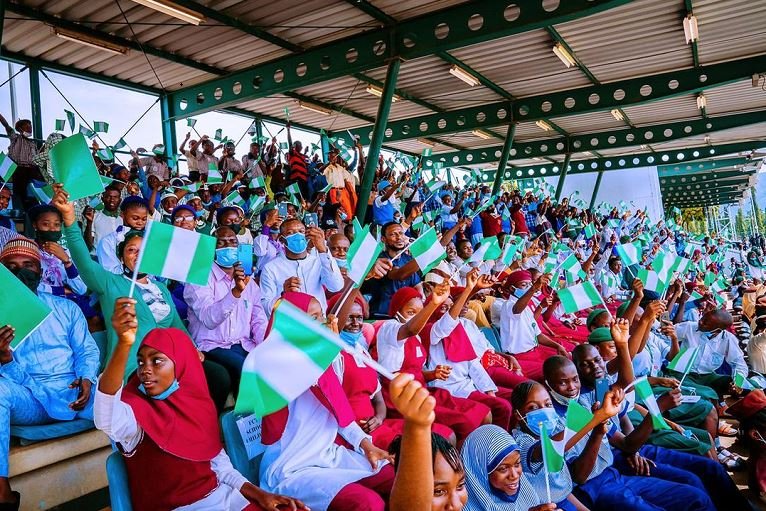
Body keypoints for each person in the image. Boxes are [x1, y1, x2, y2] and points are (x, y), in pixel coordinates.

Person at [95, 298, 306, 511]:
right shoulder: (136, 415)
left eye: (157, 361)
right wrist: (123, 345)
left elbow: (222, 468)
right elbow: (105, 416)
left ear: (182, 365)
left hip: (224, 499)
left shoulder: (198, 407)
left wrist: (262, 496)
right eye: (141, 362)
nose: (145, 369)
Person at [260, 292, 395, 511]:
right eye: (313, 318)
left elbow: (339, 412)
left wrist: (366, 445)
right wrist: (329, 350)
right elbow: (304, 372)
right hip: (292, 467)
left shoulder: (324, 359)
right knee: (368, 504)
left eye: (321, 315)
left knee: (392, 476)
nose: (323, 322)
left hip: (327, 455)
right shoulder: (278, 361)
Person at [0, 237, 100, 510]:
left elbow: (86, 352)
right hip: (31, 398)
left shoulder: (66, 308)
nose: (21, 271)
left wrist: (87, 379)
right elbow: (9, 376)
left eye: (28, 265)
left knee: (123, 387)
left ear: (40, 271)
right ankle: (2, 493)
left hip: (76, 390)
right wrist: (5, 359)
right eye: (12, 266)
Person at [332, 293, 455, 449]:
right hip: (356, 433)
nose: (356, 323)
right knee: (429, 444)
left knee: (444, 435)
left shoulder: (361, 352)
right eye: (350, 318)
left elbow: (378, 400)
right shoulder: (334, 357)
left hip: (378, 423)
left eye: (360, 317)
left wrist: (379, 418)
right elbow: (337, 408)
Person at [376, 283, 491, 442]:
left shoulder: (415, 337)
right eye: (410, 312)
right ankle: (459, 463)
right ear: (397, 311)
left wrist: (431, 374)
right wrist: (433, 303)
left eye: (419, 313)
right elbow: (410, 329)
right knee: (463, 423)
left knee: (482, 412)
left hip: (423, 391)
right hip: (403, 399)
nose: (416, 317)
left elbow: (414, 370)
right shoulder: (390, 328)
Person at [424, 269, 514, 430]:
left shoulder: (460, 328)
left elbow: (473, 363)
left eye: (451, 307)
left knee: (506, 403)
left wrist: (488, 390)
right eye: (444, 308)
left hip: (467, 385)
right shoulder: (429, 330)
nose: (452, 312)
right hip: (447, 390)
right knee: (498, 409)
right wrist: (469, 289)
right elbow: (446, 323)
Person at [184, 226, 268, 393]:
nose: (228, 247)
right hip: (212, 345)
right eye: (221, 243)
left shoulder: (249, 282)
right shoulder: (199, 277)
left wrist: (267, 345)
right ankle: (245, 417)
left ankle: (264, 417)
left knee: (268, 365)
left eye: (232, 242)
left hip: (243, 343)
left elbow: (258, 319)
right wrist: (235, 292)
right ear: (213, 249)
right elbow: (209, 319)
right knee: (246, 369)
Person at [461, 425, 559, 511]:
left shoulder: (526, 495)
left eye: (517, 464)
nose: (515, 476)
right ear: (479, 471)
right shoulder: (463, 507)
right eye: (503, 469)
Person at [259, 217, 344, 313]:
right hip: (289, 323)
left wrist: (323, 250)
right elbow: (264, 306)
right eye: (290, 233)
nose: (297, 235)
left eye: (301, 231)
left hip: (318, 322)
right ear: (282, 239)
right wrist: (284, 295)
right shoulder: (271, 268)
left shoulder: (319, 261)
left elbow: (336, 286)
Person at [499, 270, 569, 380]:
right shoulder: (508, 305)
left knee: (568, 360)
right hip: (520, 357)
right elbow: (517, 309)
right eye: (523, 285)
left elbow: (538, 335)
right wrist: (533, 288)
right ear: (512, 288)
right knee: (558, 371)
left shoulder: (526, 307)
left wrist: (557, 346)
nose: (528, 287)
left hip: (535, 351)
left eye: (529, 284)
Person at [670, 309, 748, 398]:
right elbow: (663, 334)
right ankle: (716, 401)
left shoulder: (728, 339)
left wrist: (737, 383)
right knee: (708, 393)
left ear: (718, 330)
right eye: (702, 318)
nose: (700, 322)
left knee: (749, 385)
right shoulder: (689, 327)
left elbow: (739, 363)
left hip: (708, 376)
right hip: (683, 374)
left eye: (705, 323)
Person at [28, 204, 88, 298]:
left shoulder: (66, 253)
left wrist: (67, 262)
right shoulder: (27, 251)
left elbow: (81, 289)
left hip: (64, 306)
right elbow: (25, 284)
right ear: (35, 225)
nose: (52, 229)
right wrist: (60, 290)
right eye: (46, 224)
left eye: (57, 224)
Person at [96, 196, 150, 274]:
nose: (140, 222)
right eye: (135, 218)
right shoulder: (108, 241)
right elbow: (110, 271)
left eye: (144, 219)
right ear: (122, 214)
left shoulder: (149, 238)